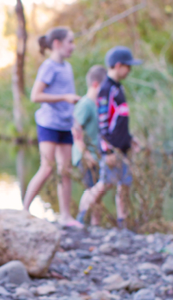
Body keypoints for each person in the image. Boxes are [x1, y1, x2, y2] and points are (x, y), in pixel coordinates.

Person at [77, 46, 142, 229]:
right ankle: (81, 216)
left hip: (123, 147)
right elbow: (104, 123)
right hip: (111, 149)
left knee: (124, 185)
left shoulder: (118, 88)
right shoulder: (106, 89)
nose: (129, 70)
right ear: (119, 65)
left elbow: (119, 121)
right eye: (128, 66)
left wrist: (130, 139)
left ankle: (123, 223)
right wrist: (107, 150)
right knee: (104, 185)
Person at [23, 27, 82, 228]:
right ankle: (24, 210)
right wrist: (64, 98)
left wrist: (74, 121)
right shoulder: (49, 67)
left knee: (65, 170)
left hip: (65, 124)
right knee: (47, 168)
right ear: (57, 44)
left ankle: (65, 216)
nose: (73, 46)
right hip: (48, 123)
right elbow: (35, 96)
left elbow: (70, 94)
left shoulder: (67, 68)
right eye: (70, 42)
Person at [71, 64, 107, 226]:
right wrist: (86, 155)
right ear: (95, 85)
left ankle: (95, 224)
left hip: (96, 155)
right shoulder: (85, 104)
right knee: (92, 190)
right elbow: (76, 131)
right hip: (85, 156)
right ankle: (82, 218)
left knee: (98, 192)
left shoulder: (98, 105)